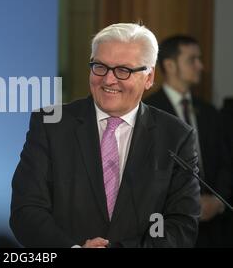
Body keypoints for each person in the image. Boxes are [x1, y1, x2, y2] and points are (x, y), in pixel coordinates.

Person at [10, 23, 201, 248]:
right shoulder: (51, 124)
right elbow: (27, 210)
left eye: (123, 70)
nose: (109, 80)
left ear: (149, 77)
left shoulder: (176, 136)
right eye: (99, 67)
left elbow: (181, 224)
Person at [145, 35, 232, 247]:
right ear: (170, 65)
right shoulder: (147, 112)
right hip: (166, 228)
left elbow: (226, 163)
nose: (200, 66)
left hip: (212, 229)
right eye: (192, 60)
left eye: (199, 59)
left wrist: (217, 202)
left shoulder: (210, 112)